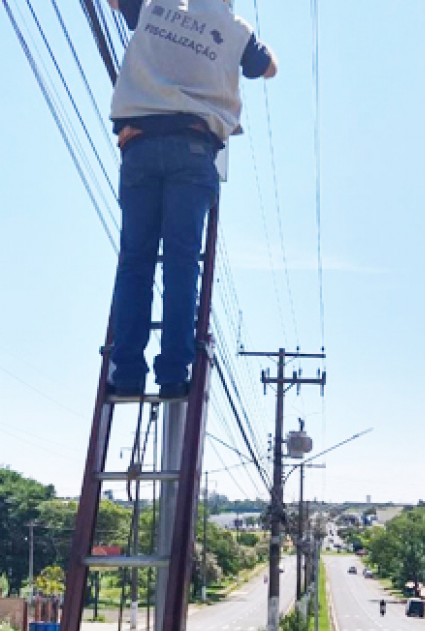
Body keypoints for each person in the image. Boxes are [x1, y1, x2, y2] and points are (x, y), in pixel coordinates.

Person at [106, 0, 277, 398]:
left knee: (135, 262)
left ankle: (127, 371)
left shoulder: (153, 6)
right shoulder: (235, 29)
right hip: (194, 147)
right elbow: (267, 68)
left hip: (140, 144)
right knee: (182, 264)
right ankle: (173, 373)